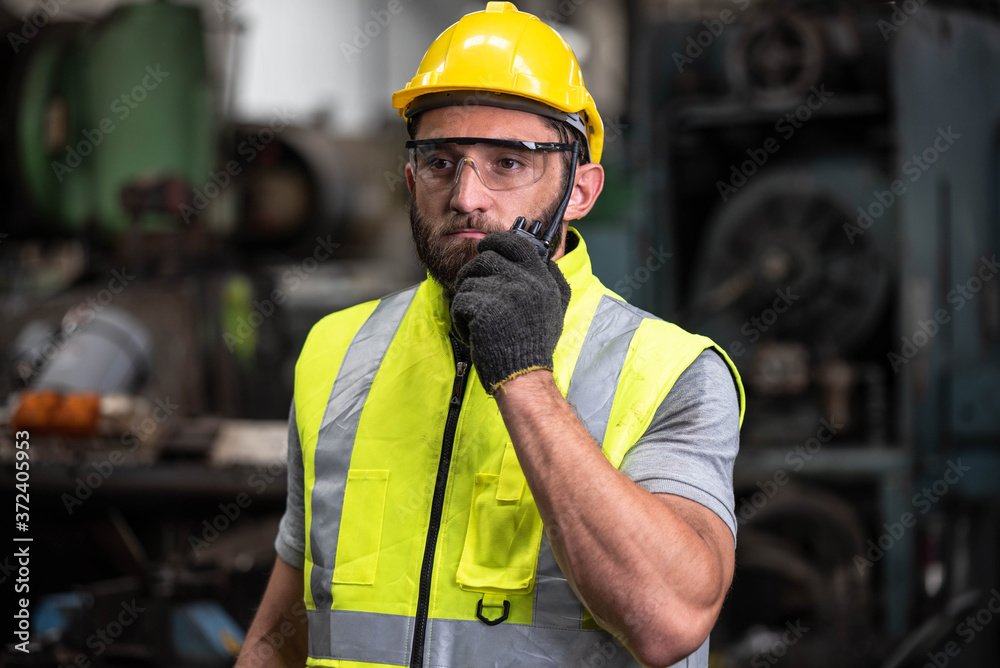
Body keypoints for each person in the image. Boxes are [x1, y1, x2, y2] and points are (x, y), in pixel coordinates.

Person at [235, 3, 744, 667]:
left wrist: (525, 377)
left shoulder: (675, 372)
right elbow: (283, 633)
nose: (467, 195)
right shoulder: (336, 351)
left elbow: (669, 622)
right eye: (441, 162)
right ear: (412, 178)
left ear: (581, 190)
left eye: (509, 162)